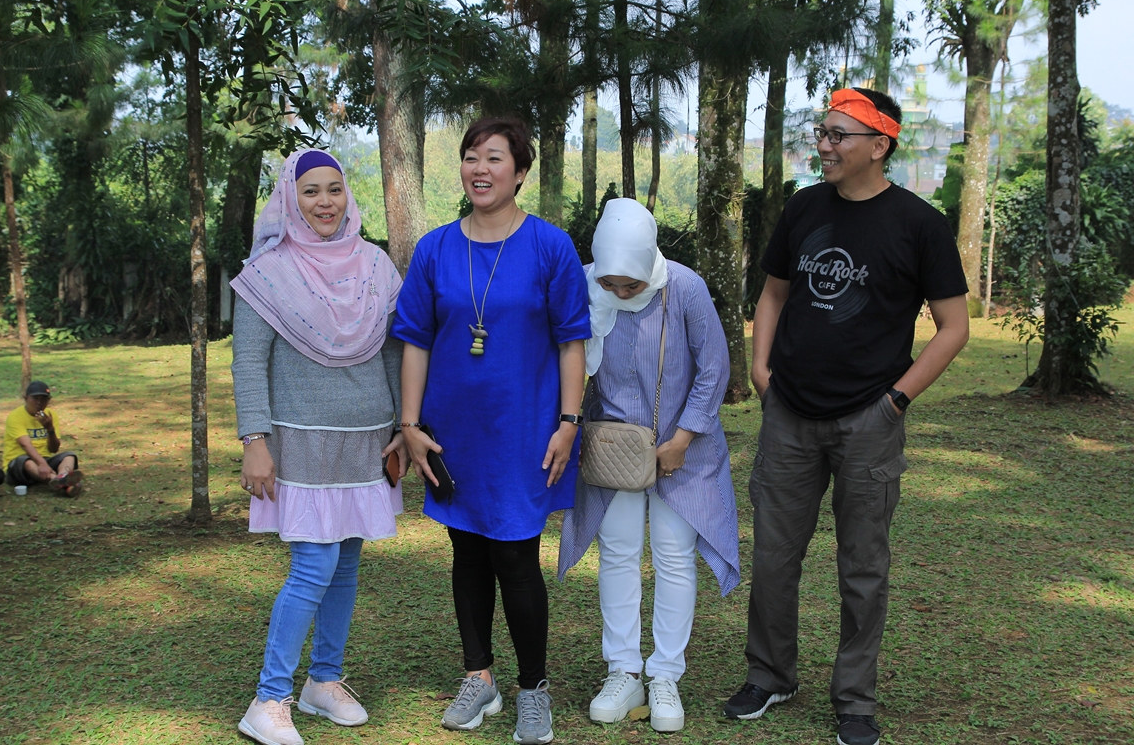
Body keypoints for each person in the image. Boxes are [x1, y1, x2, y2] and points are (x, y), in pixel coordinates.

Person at [722, 87, 970, 745]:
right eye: (822, 133)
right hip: (790, 414)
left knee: (863, 568)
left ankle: (855, 699)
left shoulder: (919, 224)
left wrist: (896, 400)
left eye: (838, 136)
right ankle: (769, 675)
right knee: (774, 556)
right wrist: (761, 369)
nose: (824, 146)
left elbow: (953, 327)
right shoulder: (804, 208)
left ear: (879, 145)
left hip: (869, 419)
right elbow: (774, 294)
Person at [392, 117, 590, 745]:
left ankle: (534, 690)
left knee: (516, 555)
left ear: (521, 172)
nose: (480, 169)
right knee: (468, 550)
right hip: (454, 433)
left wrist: (569, 422)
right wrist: (409, 425)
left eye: (495, 158)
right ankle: (479, 677)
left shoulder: (550, 246)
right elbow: (416, 341)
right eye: (471, 157)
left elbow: (572, 342)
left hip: (525, 429)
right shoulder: (434, 250)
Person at [230, 148, 406, 745]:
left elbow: (392, 351)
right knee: (314, 565)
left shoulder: (375, 265)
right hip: (299, 440)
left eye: (334, 189)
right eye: (311, 191)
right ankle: (268, 699)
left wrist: (404, 426)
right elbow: (248, 362)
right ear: (290, 199)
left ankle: (323, 681)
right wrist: (254, 440)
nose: (325, 202)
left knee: (347, 563)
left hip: (367, 440)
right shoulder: (267, 272)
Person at [558, 199, 741, 734]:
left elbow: (713, 367)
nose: (619, 294)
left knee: (674, 557)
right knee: (617, 555)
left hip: (683, 450)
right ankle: (623, 670)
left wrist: (682, 439)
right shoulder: (583, 282)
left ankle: (665, 674)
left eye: (630, 285)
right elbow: (567, 356)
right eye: (610, 284)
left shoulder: (683, 286)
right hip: (613, 447)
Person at [3, 381, 82, 496]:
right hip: (19, 465)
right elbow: (26, 445)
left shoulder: (50, 415)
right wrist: (41, 463)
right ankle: (62, 482)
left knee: (69, 456)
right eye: (35, 398)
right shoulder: (15, 416)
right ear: (25, 398)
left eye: (44, 399)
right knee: (26, 461)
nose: (39, 403)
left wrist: (50, 429)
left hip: (44, 463)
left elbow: (54, 449)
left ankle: (62, 476)